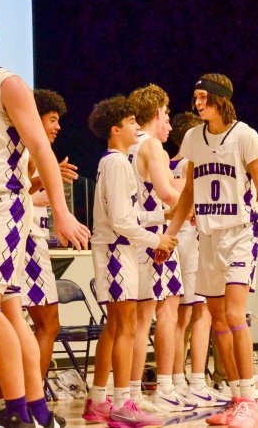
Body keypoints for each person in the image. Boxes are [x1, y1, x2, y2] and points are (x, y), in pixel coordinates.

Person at [0, 1, 89, 428]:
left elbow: (41, 148)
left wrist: (61, 212)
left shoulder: (7, 84)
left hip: (2, 204)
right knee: (9, 312)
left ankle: (19, 414)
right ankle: (39, 413)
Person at [165, 73, 258, 428]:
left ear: (220, 99)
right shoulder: (192, 138)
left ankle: (248, 399)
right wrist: (170, 234)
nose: (197, 103)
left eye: (203, 97)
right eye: (195, 97)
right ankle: (234, 397)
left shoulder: (245, 135)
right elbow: (188, 192)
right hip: (208, 236)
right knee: (217, 320)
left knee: (233, 315)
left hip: (240, 234)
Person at [83, 95, 177, 428]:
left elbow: (128, 214)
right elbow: (122, 221)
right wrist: (156, 239)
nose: (137, 127)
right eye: (131, 122)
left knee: (114, 328)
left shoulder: (115, 161)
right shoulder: (117, 164)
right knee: (124, 328)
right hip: (115, 251)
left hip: (116, 248)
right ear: (115, 129)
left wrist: (161, 215)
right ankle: (123, 403)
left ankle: (98, 400)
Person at [124, 84, 189, 414]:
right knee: (162, 312)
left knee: (140, 318)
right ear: (159, 111)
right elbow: (166, 192)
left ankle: (135, 391)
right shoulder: (151, 145)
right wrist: (190, 204)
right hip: (153, 238)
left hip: (138, 234)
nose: (168, 120)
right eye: (167, 113)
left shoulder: (127, 144)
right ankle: (162, 387)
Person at [168, 112, 228, 407]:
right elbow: (185, 197)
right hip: (191, 240)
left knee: (181, 317)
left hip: (178, 239)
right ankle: (194, 382)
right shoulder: (189, 164)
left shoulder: (167, 163)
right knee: (199, 314)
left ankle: (179, 380)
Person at [22, 89, 78, 381]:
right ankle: (33, 395)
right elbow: (15, 190)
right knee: (48, 324)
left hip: (27, 240)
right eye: (52, 119)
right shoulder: (31, 147)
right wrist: (45, 178)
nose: (58, 126)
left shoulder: (31, 147)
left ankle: (13, 397)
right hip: (27, 242)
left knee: (17, 327)